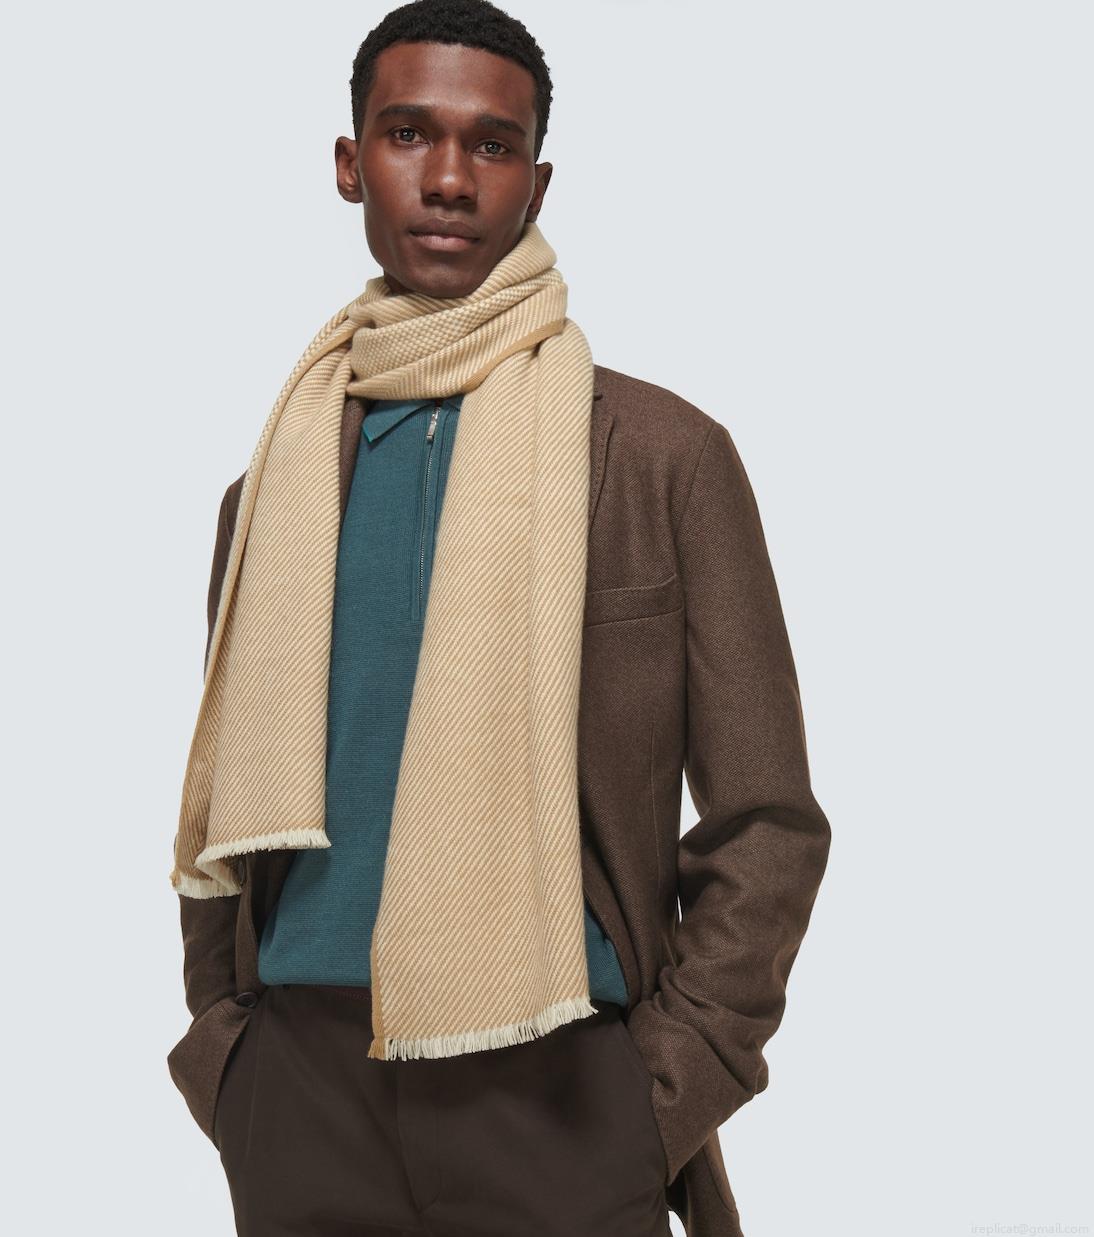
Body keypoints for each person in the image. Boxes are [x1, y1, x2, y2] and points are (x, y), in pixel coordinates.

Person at [166, 2, 832, 1235]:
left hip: (565, 1096)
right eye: (407, 133)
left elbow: (767, 818)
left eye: (491, 144)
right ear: (348, 162)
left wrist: (663, 1088)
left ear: (536, 181)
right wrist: (229, 1051)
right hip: (301, 1092)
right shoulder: (271, 489)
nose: (448, 179)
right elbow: (217, 814)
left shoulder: (660, 458)